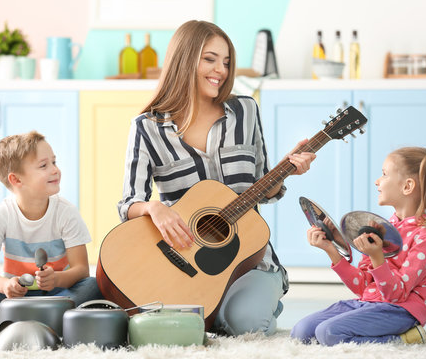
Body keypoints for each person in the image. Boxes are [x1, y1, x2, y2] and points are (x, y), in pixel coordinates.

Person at [117, 20, 316, 336]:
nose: (221, 70)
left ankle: (245, 303)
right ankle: (218, 309)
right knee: (175, 325)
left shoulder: (246, 110)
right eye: (210, 59)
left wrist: (285, 169)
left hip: (250, 262)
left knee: (247, 325)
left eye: (226, 61)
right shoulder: (146, 127)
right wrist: (154, 209)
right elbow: (129, 203)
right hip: (185, 264)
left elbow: (262, 188)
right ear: (185, 60)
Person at [290, 147, 426, 345]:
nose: (377, 181)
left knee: (329, 333)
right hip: (370, 303)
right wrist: (331, 250)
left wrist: (377, 257)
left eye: (384, 174)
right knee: (301, 332)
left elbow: (397, 295)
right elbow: (361, 286)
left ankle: (405, 338)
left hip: (401, 310)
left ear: (407, 186)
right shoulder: (386, 228)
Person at [0, 131, 102, 326]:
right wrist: (4, 285)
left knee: (94, 285)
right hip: (15, 297)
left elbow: (81, 270)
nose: (55, 170)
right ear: (16, 180)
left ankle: (8, 319)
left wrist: (56, 279)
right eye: (44, 165)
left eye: (54, 162)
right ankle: (48, 318)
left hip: (56, 292)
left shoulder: (66, 212)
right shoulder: (1, 214)